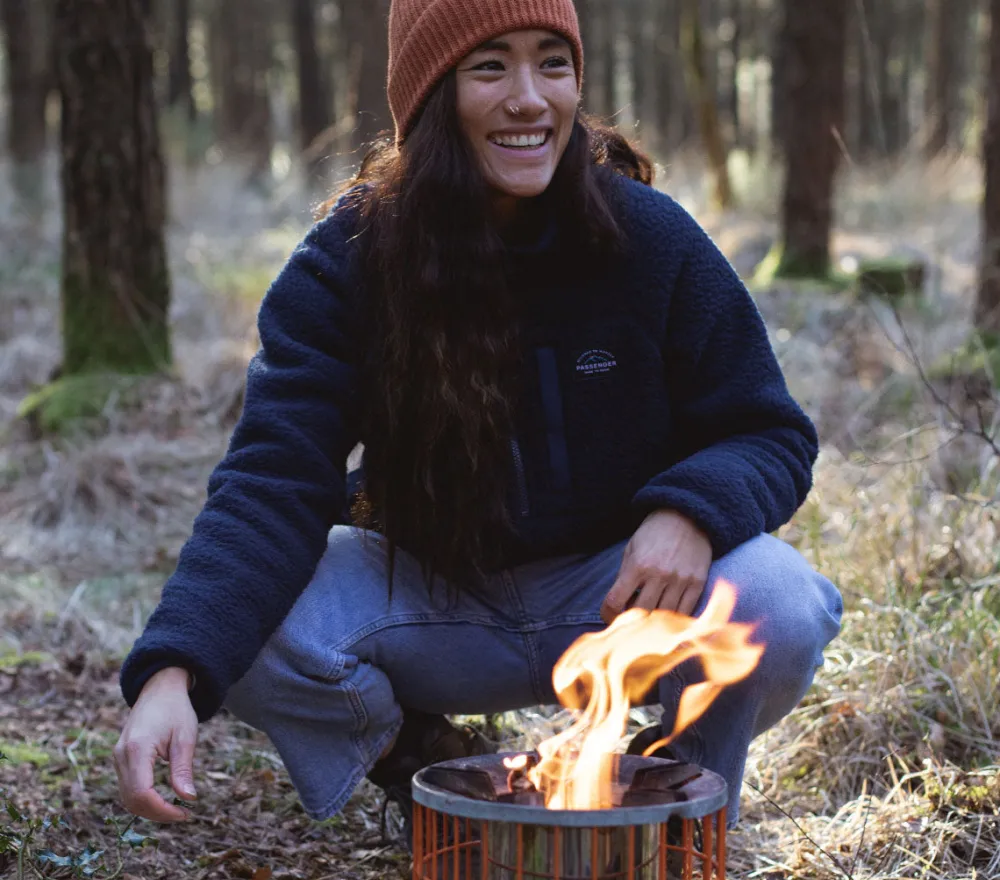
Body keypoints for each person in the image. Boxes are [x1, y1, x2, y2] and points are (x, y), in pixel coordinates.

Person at [113, 0, 843, 834]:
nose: (530, 98)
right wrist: (173, 669)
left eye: (552, 63)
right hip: (434, 600)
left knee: (780, 603)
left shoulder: (650, 238)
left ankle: (663, 809)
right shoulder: (348, 261)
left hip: (614, 601)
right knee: (245, 633)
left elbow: (770, 430)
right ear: (430, 96)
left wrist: (689, 511)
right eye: (490, 67)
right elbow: (271, 478)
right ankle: (432, 776)